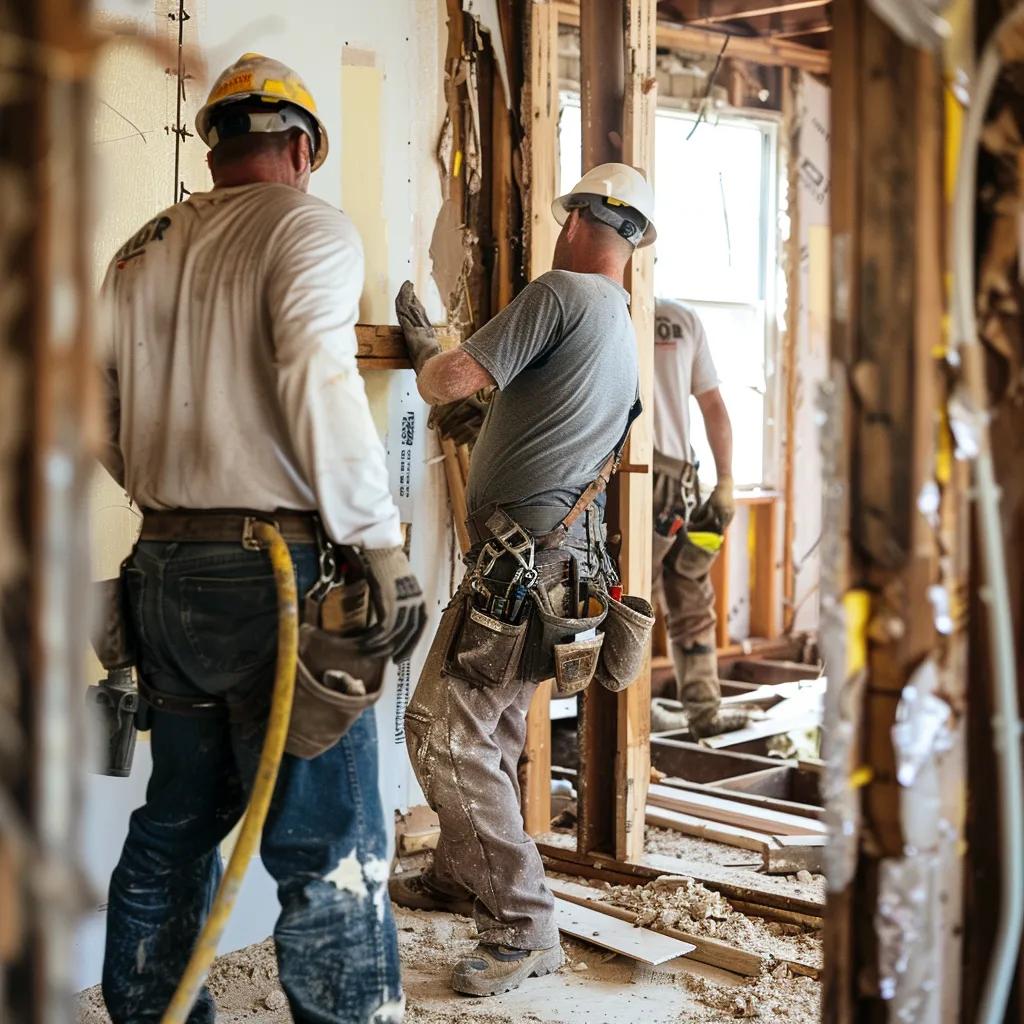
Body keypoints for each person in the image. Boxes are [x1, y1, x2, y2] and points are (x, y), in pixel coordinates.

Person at [96, 54, 424, 1024]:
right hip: (274, 579)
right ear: (302, 146)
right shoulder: (308, 225)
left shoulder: (139, 249)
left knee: (176, 826)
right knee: (330, 849)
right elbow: (316, 374)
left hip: (161, 577)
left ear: (215, 143)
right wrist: (379, 543)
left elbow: (92, 414)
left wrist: (173, 497)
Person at [391, 163, 656, 997]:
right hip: (564, 568)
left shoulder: (559, 293)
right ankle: (461, 875)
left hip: (518, 571)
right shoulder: (616, 323)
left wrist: (431, 356)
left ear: (580, 219)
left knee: (440, 731)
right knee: (494, 733)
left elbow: (452, 381)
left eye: (565, 214)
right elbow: (523, 424)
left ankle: (523, 925)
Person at [650, 298, 748, 737]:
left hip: (640, 480)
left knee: (632, 600)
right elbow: (713, 407)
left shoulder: (605, 309)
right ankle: (698, 710)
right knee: (688, 592)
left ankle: (641, 711)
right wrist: (725, 482)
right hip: (681, 481)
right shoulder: (681, 319)